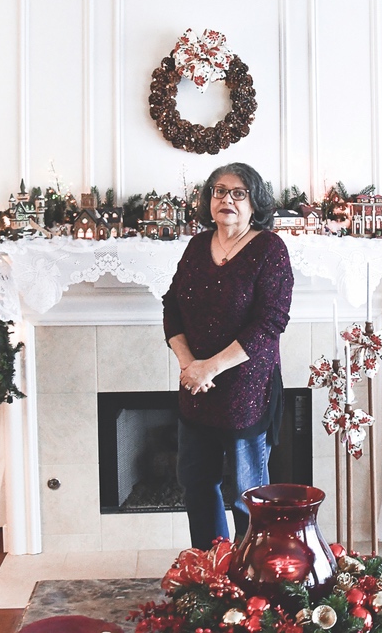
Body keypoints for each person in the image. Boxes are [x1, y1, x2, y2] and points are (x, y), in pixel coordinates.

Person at [162, 163, 294, 548]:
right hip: (198, 386)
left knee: (247, 496)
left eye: (238, 193)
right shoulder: (197, 246)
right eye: (219, 191)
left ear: (255, 202)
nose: (227, 200)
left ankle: (251, 575)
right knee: (196, 483)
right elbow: (172, 306)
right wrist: (190, 365)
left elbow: (270, 323)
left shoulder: (270, 249)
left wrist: (210, 366)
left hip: (245, 391)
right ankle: (209, 570)